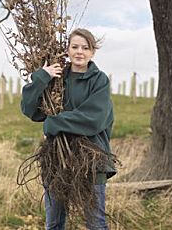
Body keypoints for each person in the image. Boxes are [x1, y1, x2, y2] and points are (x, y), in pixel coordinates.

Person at [21, 28, 115, 230]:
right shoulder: (57, 79)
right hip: (57, 157)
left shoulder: (100, 81)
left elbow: (94, 119)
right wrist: (41, 77)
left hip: (92, 158)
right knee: (53, 224)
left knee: (96, 223)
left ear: (92, 52)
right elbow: (30, 110)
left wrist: (54, 123)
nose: (79, 52)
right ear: (67, 50)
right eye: (75, 47)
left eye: (85, 47)